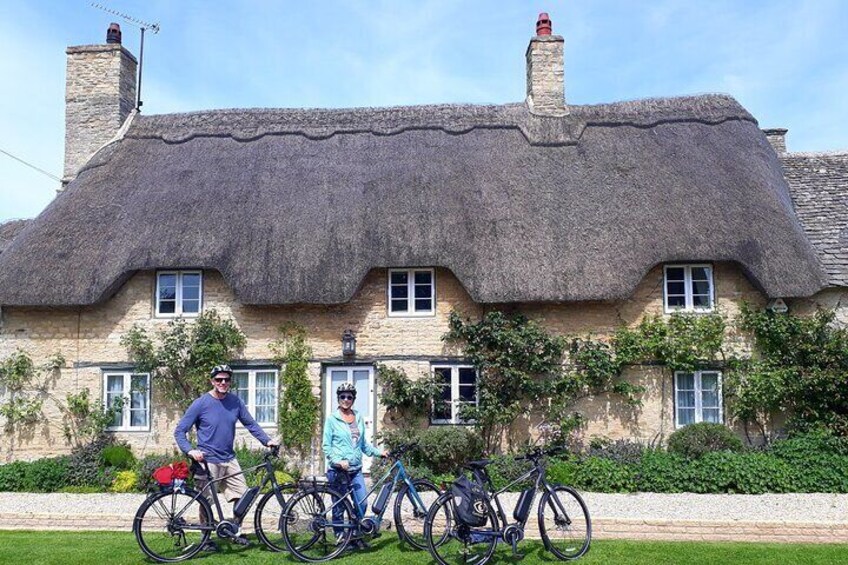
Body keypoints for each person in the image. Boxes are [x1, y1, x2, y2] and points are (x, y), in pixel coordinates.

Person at [174, 364, 279, 550]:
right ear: (212, 381)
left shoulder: (235, 402)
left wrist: (267, 441)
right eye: (219, 379)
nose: (223, 383)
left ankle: (233, 530)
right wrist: (190, 451)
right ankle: (206, 539)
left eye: (226, 380)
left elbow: (251, 424)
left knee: (244, 496)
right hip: (208, 460)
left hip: (229, 458)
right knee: (206, 502)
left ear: (230, 381)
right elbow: (180, 431)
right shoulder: (201, 403)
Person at [322, 382, 388, 549]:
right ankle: (340, 538)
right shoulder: (331, 419)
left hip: (356, 469)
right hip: (338, 470)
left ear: (353, 399)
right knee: (338, 506)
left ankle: (355, 535)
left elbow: (363, 445)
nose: (346, 399)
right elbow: (326, 446)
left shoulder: (358, 417)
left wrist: (379, 452)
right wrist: (338, 461)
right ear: (338, 399)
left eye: (349, 397)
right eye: (343, 396)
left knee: (362, 503)